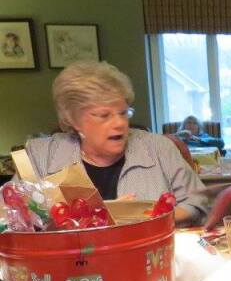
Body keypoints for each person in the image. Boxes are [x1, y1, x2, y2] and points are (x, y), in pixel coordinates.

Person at [24, 60, 207, 225]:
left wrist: (148, 220)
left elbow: (199, 204)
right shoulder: (41, 156)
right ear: (73, 119)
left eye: (123, 113)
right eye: (104, 115)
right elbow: (16, 218)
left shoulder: (159, 148)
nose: (119, 123)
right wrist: (97, 218)